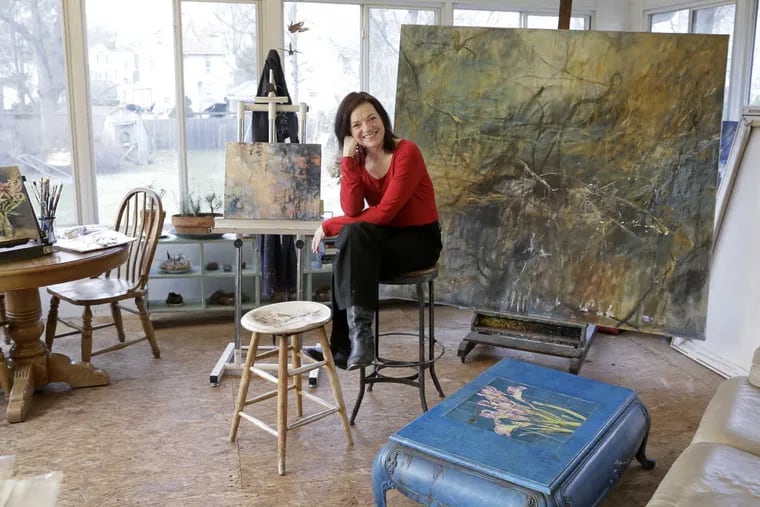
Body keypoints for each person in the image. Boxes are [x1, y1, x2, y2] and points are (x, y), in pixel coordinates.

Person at [305, 91, 442, 371]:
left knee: (348, 243)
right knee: (351, 240)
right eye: (356, 125)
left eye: (371, 118)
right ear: (348, 133)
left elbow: (385, 212)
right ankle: (359, 341)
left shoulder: (407, 152)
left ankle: (347, 346)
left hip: (419, 241)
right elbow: (353, 209)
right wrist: (348, 160)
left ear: (382, 118)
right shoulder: (358, 161)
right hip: (384, 237)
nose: (367, 128)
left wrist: (329, 225)